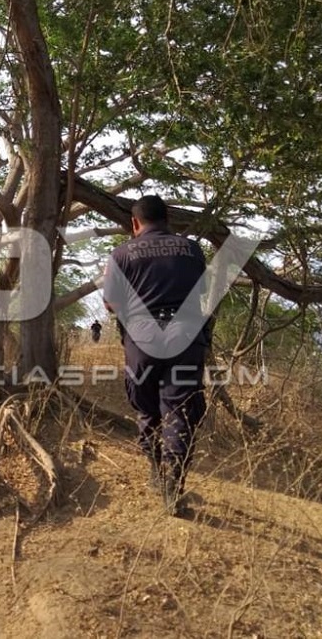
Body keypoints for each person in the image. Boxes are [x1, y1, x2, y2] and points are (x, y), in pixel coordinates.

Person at [102, 195, 210, 516]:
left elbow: (111, 303)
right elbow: (202, 291)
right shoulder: (192, 250)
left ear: (135, 223)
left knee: (147, 409)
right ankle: (172, 485)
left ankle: (155, 468)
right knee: (180, 412)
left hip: (142, 339)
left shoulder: (121, 254)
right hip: (186, 336)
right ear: (168, 219)